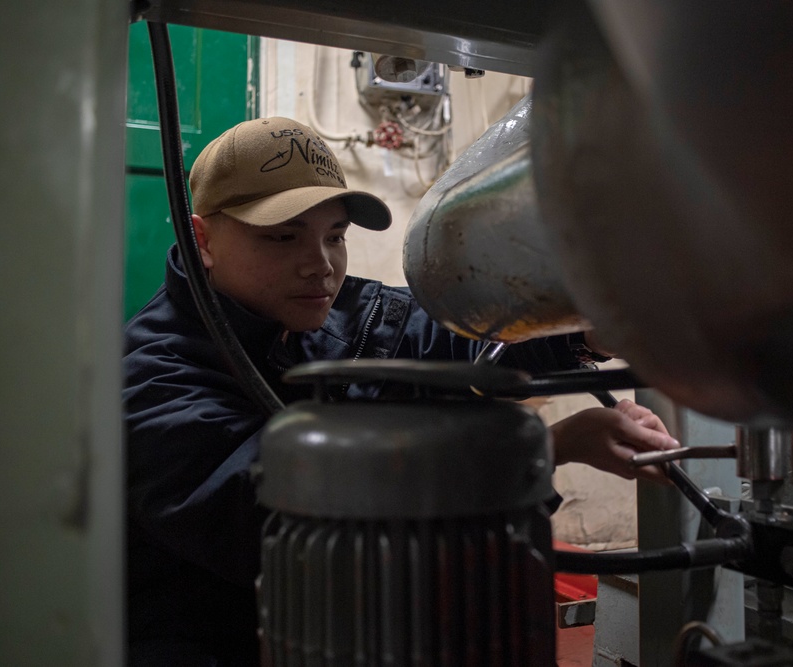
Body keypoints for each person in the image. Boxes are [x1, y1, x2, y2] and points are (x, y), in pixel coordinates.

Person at [123, 116, 678, 666]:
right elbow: (294, 529)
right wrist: (549, 447)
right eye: (283, 237)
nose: (320, 266)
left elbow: (458, 337)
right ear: (203, 241)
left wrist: (583, 329)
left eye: (335, 236)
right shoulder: (154, 377)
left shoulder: (337, 315)